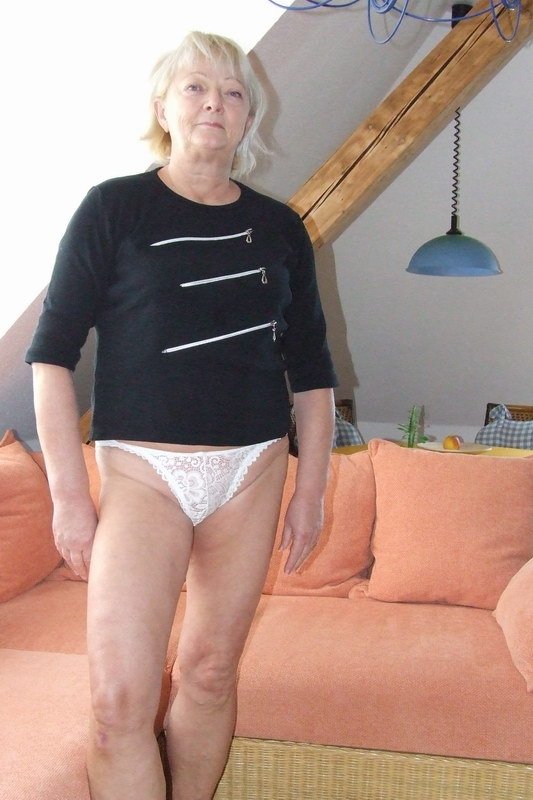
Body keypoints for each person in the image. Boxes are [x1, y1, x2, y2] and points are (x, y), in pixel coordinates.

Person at [26, 31, 337, 800]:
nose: (214, 104)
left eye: (232, 93)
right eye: (195, 87)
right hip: (142, 474)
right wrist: (69, 497)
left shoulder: (280, 228)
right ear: (162, 107)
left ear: (248, 118)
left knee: (210, 671)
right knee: (117, 706)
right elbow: (50, 357)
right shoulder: (114, 208)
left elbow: (312, 372)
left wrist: (310, 492)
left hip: (251, 471)